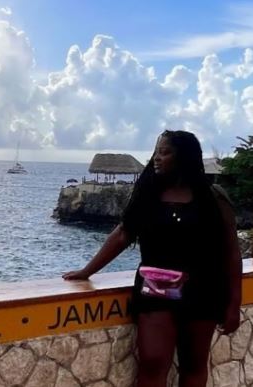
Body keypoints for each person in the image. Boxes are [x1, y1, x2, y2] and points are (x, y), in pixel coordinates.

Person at [63, 130, 242, 387]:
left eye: (165, 152)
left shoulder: (213, 198)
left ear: (184, 157)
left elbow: (232, 252)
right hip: (155, 291)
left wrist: (233, 304)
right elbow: (123, 234)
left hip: (204, 292)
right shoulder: (149, 194)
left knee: (193, 365)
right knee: (153, 361)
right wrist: (87, 271)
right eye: (156, 152)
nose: (157, 158)